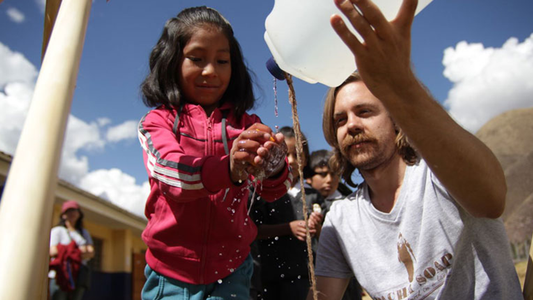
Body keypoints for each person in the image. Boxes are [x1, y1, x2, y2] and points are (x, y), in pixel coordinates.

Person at [309, 0, 524, 299]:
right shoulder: (341, 219)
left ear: (396, 120)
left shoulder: (440, 173)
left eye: (365, 111)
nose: (352, 125)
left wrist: (402, 86)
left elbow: (491, 200)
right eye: (340, 120)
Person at [137, 6, 291, 300]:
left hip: (232, 271)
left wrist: (273, 167)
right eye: (196, 58)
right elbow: (172, 174)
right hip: (171, 274)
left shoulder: (249, 127)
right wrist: (228, 170)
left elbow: (276, 191)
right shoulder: (157, 122)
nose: (210, 70)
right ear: (171, 61)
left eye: (222, 60)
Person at [250, 126, 325, 300]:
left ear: (305, 159)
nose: (291, 160)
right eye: (285, 154)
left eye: (297, 154)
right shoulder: (262, 193)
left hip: (306, 278)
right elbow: (254, 230)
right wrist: (288, 228)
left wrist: (317, 226)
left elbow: (326, 238)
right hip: (270, 278)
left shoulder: (313, 195)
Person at [306, 150, 363, 300]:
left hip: (348, 282)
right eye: (323, 174)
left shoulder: (349, 203)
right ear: (308, 178)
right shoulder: (302, 202)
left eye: (334, 174)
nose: (329, 180)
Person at [49, 200, 94, 300]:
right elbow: (53, 251)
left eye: (75, 210)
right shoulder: (57, 231)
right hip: (60, 274)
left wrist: (66, 250)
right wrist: (79, 251)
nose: (72, 213)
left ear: (79, 214)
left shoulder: (84, 232)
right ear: (63, 215)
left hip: (79, 275)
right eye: (69, 210)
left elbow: (90, 253)